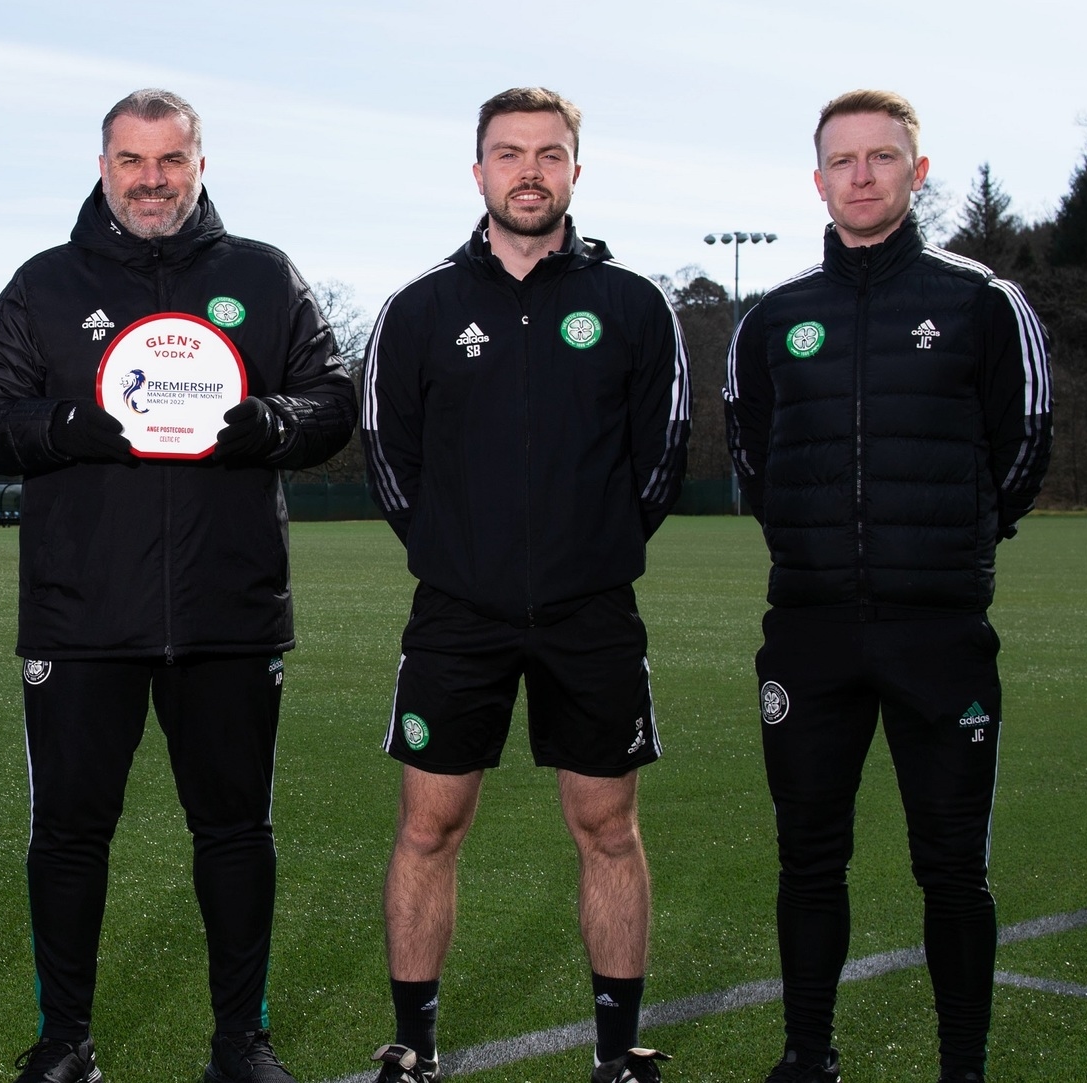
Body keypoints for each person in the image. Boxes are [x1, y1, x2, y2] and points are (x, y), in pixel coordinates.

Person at [0, 87, 355, 1083]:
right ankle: (66, 1042)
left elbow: (333, 398)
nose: (150, 178)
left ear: (199, 164)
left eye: (169, 159)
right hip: (81, 613)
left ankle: (241, 1042)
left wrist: (275, 421)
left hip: (227, 609)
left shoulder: (261, 277)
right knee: (69, 836)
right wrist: (61, 429)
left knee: (233, 832)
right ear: (103, 168)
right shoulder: (46, 284)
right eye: (130, 160)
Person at [360, 87, 690, 1083]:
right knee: (429, 826)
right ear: (479, 173)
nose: (530, 171)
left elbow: (662, 456)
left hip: (592, 615)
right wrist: (460, 555)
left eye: (550, 154)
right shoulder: (420, 309)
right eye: (509, 154)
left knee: (609, 827)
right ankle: (411, 1049)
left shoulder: (633, 303)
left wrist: (591, 550)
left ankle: (616, 1051)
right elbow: (387, 454)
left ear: (576, 172)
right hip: (458, 615)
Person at [724, 89, 1051, 1083]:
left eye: (881, 156)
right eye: (843, 160)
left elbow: (1023, 445)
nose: (861, 174)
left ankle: (962, 1065)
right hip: (810, 634)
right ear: (817, 178)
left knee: (952, 869)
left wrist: (945, 549)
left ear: (917, 169)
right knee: (808, 862)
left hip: (938, 635)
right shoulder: (775, 319)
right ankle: (807, 1054)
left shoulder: (982, 302)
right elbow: (752, 454)